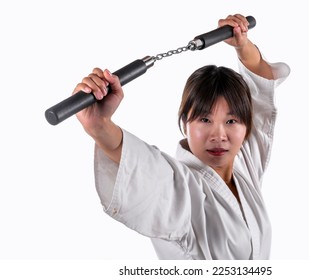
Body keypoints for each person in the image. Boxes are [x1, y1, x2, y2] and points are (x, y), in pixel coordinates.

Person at [73, 14, 290, 259]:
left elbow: (259, 91)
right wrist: (99, 125)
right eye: (205, 120)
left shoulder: (244, 165)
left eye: (231, 121)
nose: (219, 135)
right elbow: (141, 165)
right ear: (185, 121)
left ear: (246, 126)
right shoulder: (178, 186)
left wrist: (243, 44)